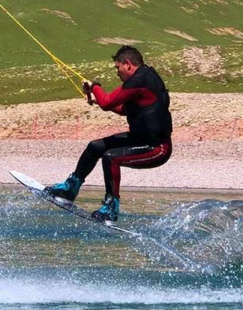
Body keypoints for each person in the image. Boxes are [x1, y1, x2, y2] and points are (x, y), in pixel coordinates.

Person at [45, 45, 173, 223]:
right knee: (95, 147)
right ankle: (70, 189)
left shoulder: (141, 79)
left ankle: (111, 208)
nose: (117, 73)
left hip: (157, 148)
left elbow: (107, 103)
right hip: (139, 140)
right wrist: (97, 99)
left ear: (127, 64)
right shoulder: (142, 80)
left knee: (111, 157)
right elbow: (121, 109)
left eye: (117, 68)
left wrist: (95, 86)